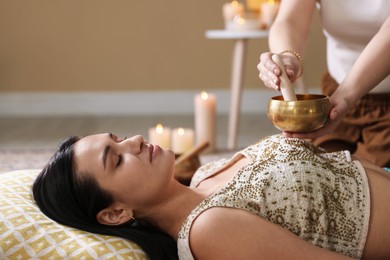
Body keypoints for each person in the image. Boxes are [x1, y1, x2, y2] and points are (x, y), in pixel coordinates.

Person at [32, 133, 390, 259]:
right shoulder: (207, 228)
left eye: (119, 137)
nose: (135, 142)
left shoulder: (205, 175)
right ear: (115, 213)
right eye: (118, 158)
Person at [257, 0, 390, 167]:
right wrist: (287, 57)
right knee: (314, 167)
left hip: (362, 99)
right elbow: (290, 20)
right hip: (335, 96)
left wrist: (347, 94)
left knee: (373, 175)